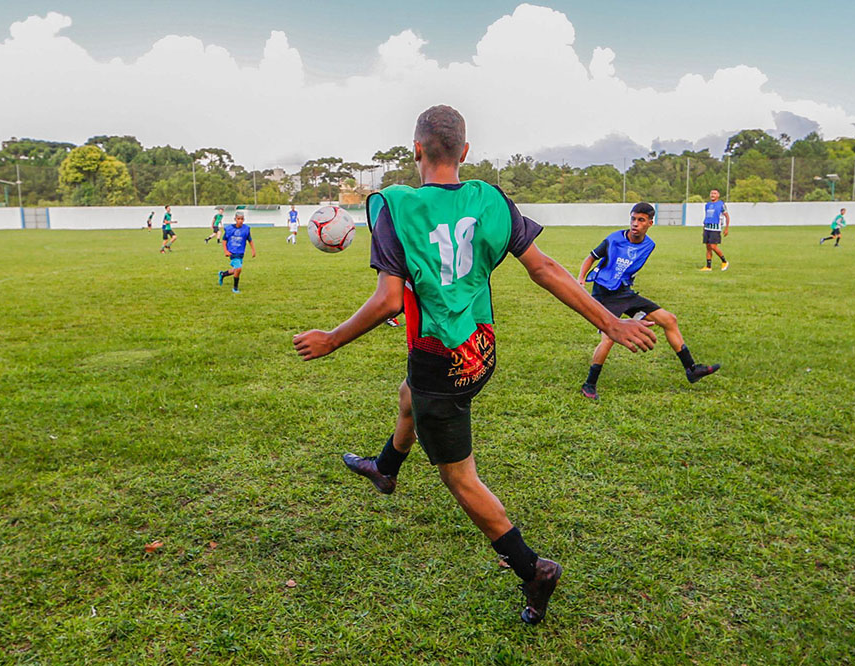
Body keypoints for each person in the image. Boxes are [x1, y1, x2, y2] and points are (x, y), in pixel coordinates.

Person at [292, 105, 656, 625]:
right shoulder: (490, 198)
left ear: (416, 150)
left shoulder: (395, 205)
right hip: (479, 350)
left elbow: (388, 300)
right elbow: (545, 268)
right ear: (464, 151)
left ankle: (534, 569)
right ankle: (386, 468)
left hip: (438, 361)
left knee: (460, 478)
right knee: (408, 395)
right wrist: (610, 322)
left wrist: (332, 340)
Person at [578, 203, 720, 400]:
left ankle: (692, 369)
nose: (635, 224)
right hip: (605, 295)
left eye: (641, 220)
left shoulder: (649, 245)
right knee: (610, 337)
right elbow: (591, 257)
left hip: (625, 293)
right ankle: (589, 384)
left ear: (650, 223)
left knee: (669, 320)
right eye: (633, 219)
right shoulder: (614, 239)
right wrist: (581, 278)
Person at [217, 210, 255, 294]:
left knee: (236, 270)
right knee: (238, 268)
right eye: (238, 219)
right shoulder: (229, 229)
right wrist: (226, 251)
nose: (240, 221)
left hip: (241, 253)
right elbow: (224, 240)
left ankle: (222, 274)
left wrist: (253, 250)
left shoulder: (246, 229)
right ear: (235, 219)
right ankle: (235, 288)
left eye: (242, 219)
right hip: (233, 253)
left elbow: (250, 240)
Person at [700, 189, 729, 271]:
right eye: (711, 193)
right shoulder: (707, 205)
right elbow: (707, 217)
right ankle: (708, 266)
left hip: (715, 228)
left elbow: (727, 216)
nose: (712, 195)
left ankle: (724, 261)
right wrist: (703, 229)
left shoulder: (721, 204)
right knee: (708, 247)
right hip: (707, 228)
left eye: (715, 193)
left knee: (713, 246)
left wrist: (726, 228)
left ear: (718, 195)